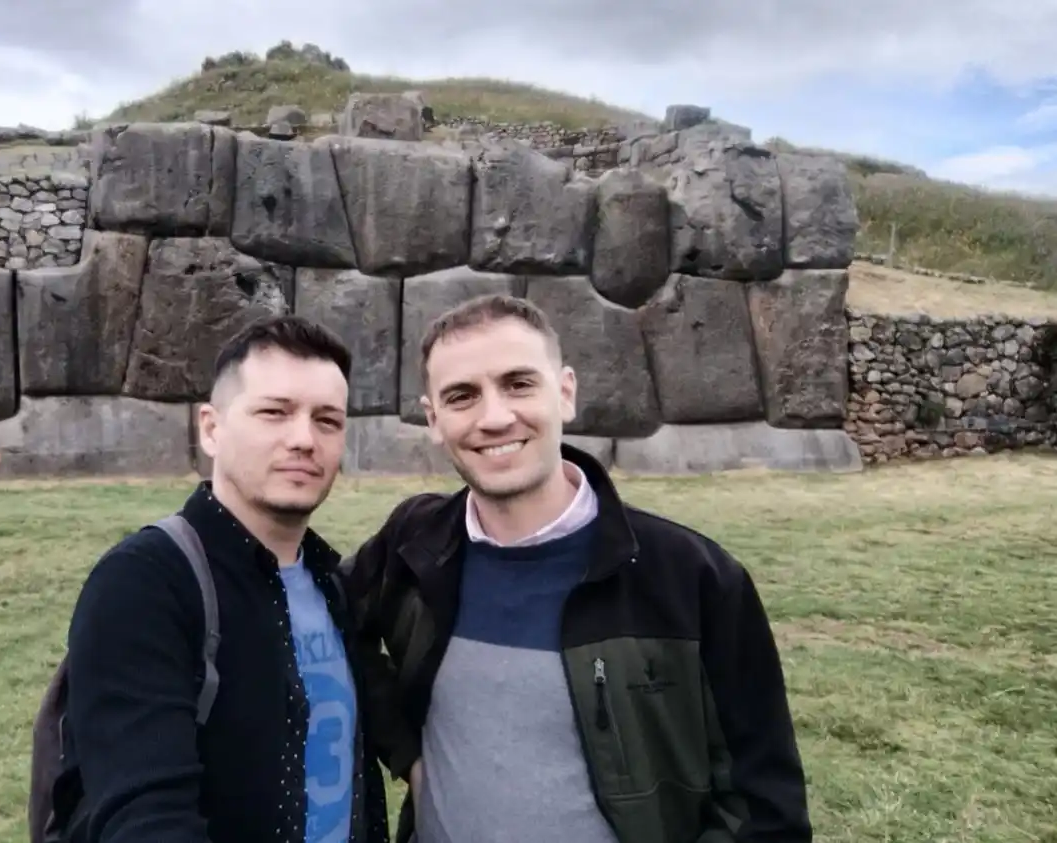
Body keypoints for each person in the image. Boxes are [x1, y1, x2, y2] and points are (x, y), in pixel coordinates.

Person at [340, 294, 812, 843]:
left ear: (565, 392)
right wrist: (407, 752)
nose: (494, 418)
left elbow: (765, 808)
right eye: (462, 396)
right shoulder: (414, 545)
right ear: (434, 420)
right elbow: (329, 621)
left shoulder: (694, 577)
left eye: (519, 384)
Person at [57, 315, 390, 843]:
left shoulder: (329, 583)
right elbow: (144, 816)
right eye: (274, 413)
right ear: (211, 428)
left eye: (327, 420)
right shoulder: (145, 583)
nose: (304, 438)